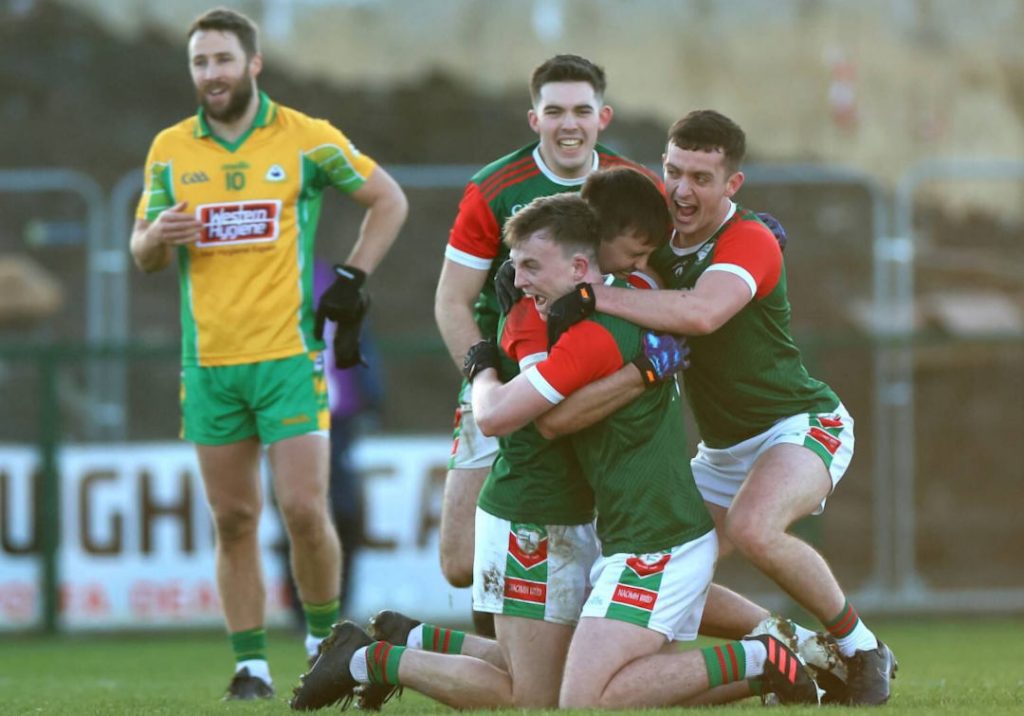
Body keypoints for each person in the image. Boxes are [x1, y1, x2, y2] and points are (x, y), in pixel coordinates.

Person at [290, 192, 819, 711]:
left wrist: (733, 236)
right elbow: (531, 420)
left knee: (561, 680)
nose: (519, 279)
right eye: (517, 267)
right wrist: (488, 367)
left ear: (585, 263)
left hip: (581, 519)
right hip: (533, 514)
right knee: (537, 695)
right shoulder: (545, 320)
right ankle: (370, 661)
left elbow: (642, 233)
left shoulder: (616, 295)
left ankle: (412, 640)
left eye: (529, 266)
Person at [540, 109, 897, 705]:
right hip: (724, 451)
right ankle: (792, 647)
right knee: (669, 569)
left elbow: (702, 313)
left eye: (701, 178)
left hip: (803, 425)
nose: (682, 190)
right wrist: (523, 273)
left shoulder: (748, 238)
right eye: (673, 171)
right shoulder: (655, 235)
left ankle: (862, 650)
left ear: (732, 184)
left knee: (755, 529)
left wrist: (589, 295)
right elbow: (588, 231)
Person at [128, 7, 407, 700]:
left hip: (289, 360)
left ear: (253, 64)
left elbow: (388, 200)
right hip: (211, 367)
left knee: (306, 512)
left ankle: (322, 642)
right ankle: (250, 665)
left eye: (223, 60)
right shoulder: (170, 149)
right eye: (200, 62)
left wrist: (352, 277)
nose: (211, 74)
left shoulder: (303, 138)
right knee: (233, 519)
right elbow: (141, 257)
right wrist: (158, 233)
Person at [433, 54, 658, 636]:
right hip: (504, 379)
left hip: (594, 378)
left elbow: (658, 270)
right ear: (532, 118)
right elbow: (452, 300)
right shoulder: (494, 188)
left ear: (602, 116)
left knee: (619, 539)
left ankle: (577, 656)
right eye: (553, 110)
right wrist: (481, 365)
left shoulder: (627, 186)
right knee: (460, 562)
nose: (568, 124)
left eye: (581, 110)